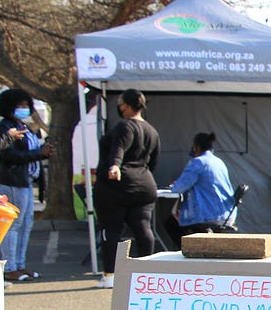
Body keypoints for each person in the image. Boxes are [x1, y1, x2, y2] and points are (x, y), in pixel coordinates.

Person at [93, 89, 160, 289]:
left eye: (121, 103)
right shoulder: (152, 130)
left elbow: (118, 149)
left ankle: (110, 275)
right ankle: (148, 274)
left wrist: (114, 166)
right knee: (143, 228)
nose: (119, 107)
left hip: (117, 186)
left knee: (111, 229)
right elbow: (154, 162)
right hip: (145, 184)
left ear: (128, 106)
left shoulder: (125, 126)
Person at [0, 89, 54, 282]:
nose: (24, 109)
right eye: (20, 106)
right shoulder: (5, 128)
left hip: (25, 180)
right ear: (9, 107)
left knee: (26, 224)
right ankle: (9, 267)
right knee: (14, 225)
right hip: (11, 181)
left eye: (27, 106)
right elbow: (9, 156)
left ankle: (19, 264)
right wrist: (39, 154)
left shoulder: (22, 125)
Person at [164, 132, 236, 246]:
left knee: (171, 224)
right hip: (226, 213)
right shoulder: (218, 161)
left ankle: (188, 250)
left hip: (208, 214)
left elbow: (178, 188)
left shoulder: (199, 162)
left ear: (196, 147)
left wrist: (175, 185)